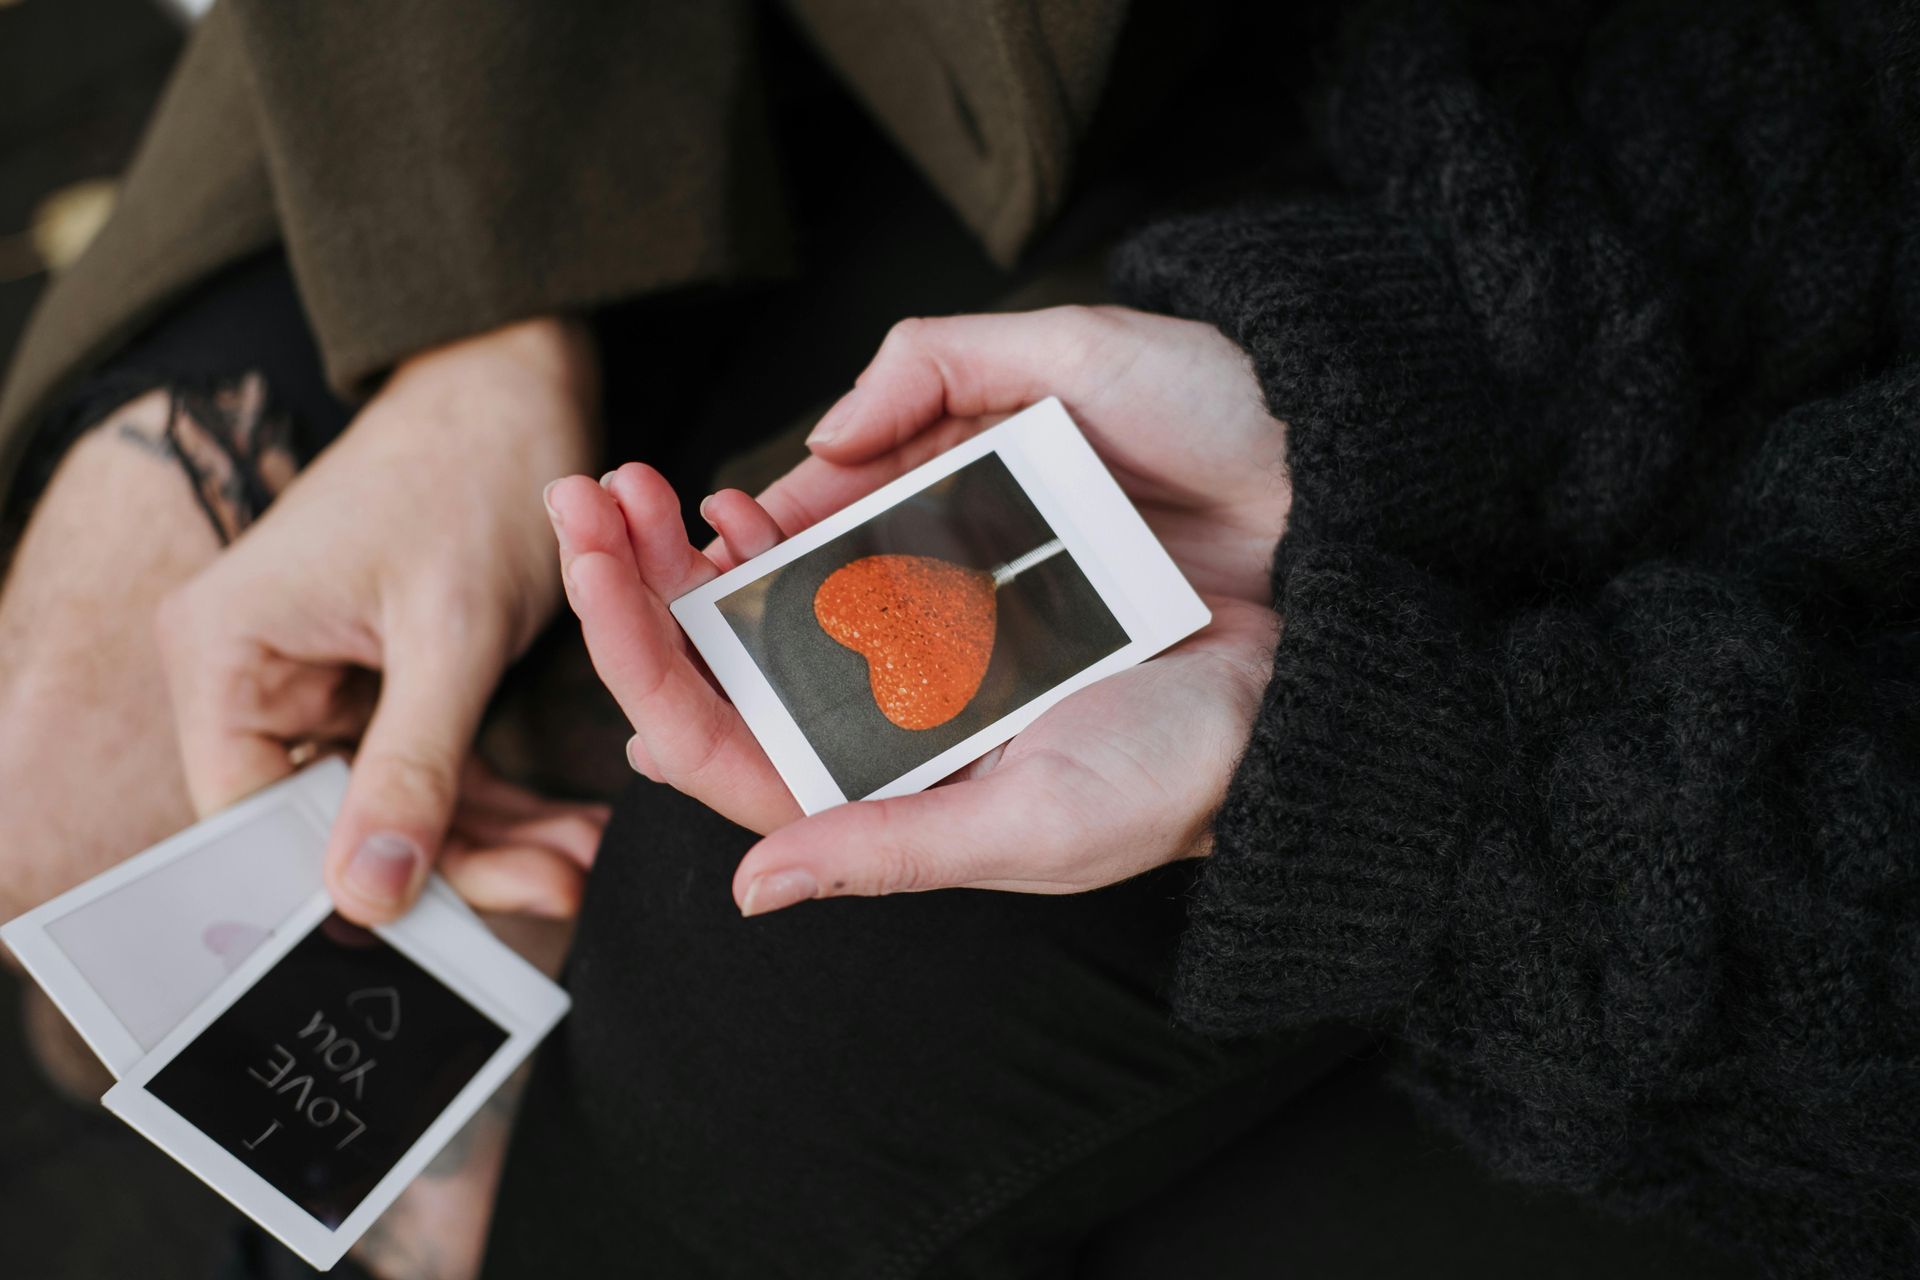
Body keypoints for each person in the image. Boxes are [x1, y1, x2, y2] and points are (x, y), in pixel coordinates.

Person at [517, 1, 1919, 1275]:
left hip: (1792, 973)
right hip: (1613, 249)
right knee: (752, 978)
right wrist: (1394, 397)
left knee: (757, 1026)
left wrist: (1408, 790)